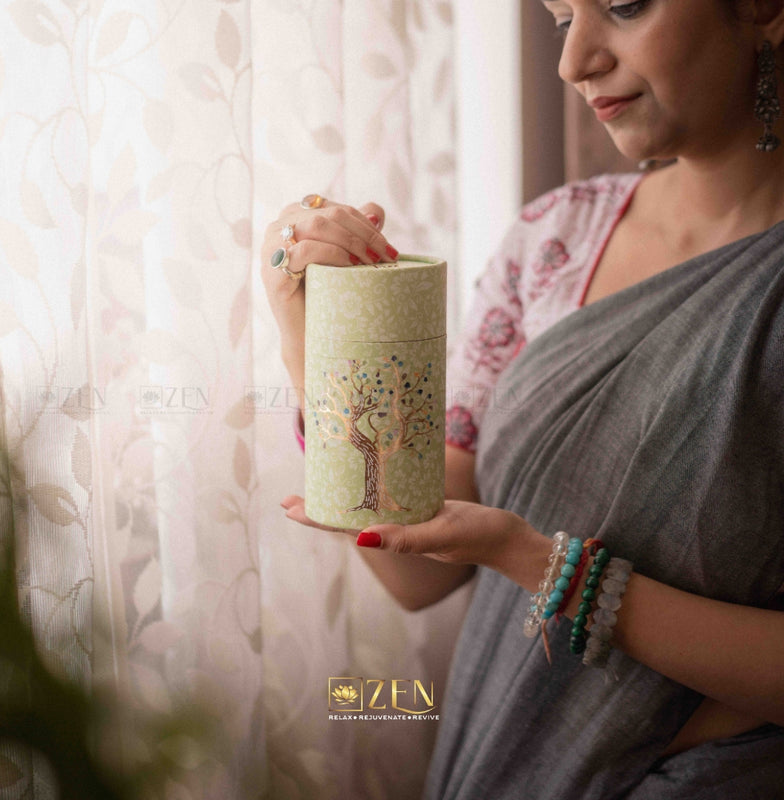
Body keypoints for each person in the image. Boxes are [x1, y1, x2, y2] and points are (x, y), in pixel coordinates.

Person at [261, 0, 784, 796]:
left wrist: (535, 562)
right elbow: (417, 575)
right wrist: (310, 330)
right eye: (559, 19)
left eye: (622, 7)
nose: (575, 62)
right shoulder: (553, 241)